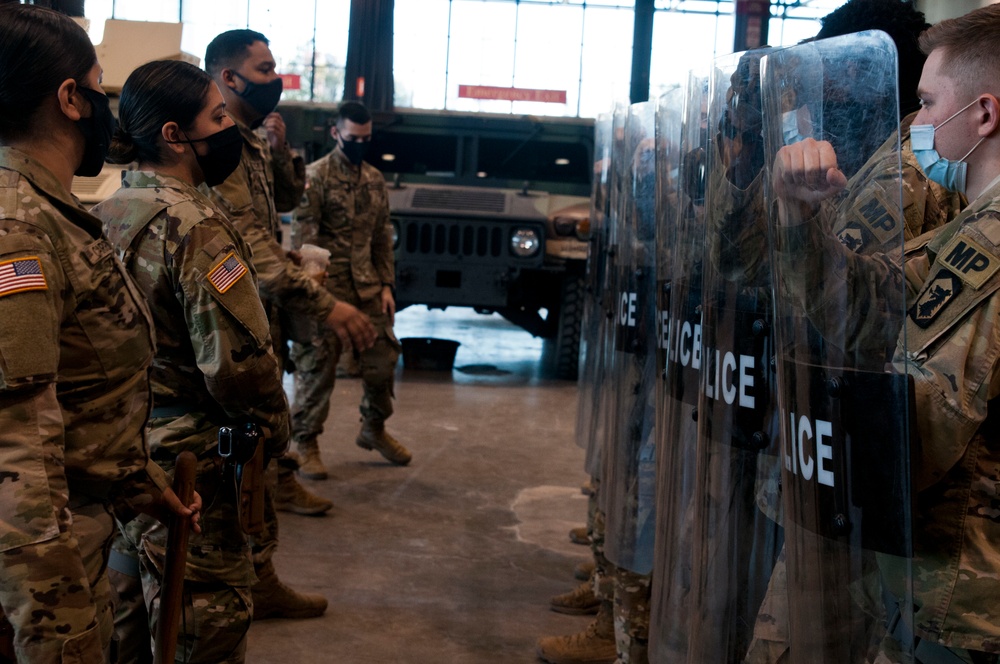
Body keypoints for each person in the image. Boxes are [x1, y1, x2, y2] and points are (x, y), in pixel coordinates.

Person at [771, 4, 1000, 660]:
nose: (916, 124)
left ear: (983, 115)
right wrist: (798, 221)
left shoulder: (993, 238)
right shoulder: (973, 226)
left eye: (928, 104)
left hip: (966, 599)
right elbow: (879, 300)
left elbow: (919, 427)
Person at [0, 6, 199, 663]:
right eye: (99, 84)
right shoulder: (19, 228)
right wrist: (58, 625)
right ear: (69, 98)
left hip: (82, 522)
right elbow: (15, 441)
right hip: (45, 560)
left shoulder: (48, 210)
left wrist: (146, 489)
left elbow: (82, 392)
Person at [94, 59, 291, 664]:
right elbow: (235, 367)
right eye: (218, 116)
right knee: (206, 621)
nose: (229, 126)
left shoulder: (110, 210)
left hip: (128, 453)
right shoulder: (197, 227)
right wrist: (276, 425)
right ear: (175, 135)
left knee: (127, 612)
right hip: (194, 465)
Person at [204, 28, 375, 621]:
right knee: (239, 442)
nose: (276, 77)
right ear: (229, 77)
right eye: (266, 66)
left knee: (263, 429)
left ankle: (261, 565)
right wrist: (325, 304)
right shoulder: (216, 142)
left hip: (259, 301)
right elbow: (245, 242)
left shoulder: (248, 139)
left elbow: (278, 206)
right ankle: (250, 577)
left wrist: (279, 150)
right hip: (231, 307)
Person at [290, 100, 411, 476]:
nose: (360, 143)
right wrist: (315, 297)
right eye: (353, 137)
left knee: (383, 362)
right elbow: (306, 245)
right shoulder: (316, 177)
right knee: (318, 368)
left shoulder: (374, 179)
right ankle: (305, 442)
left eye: (367, 138)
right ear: (335, 133)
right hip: (329, 290)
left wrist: (387, 285)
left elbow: (380, 238)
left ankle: (373, 428)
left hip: (368, 287)